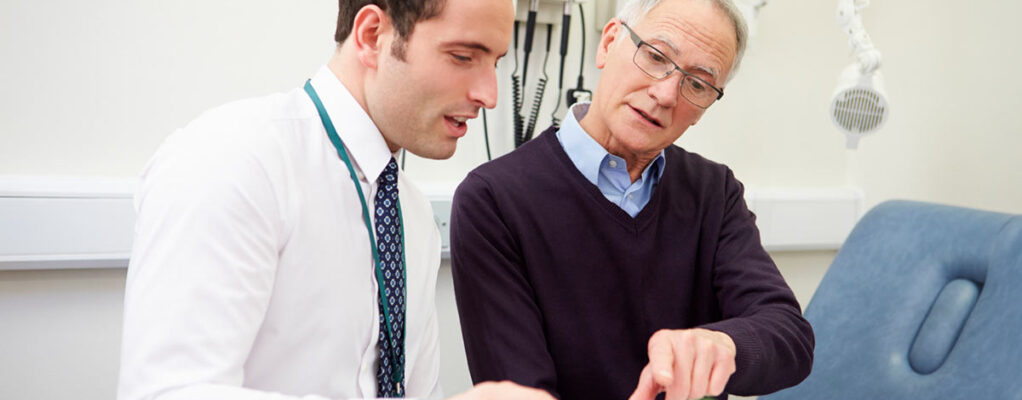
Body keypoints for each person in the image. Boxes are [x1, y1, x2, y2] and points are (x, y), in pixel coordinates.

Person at [117, 1, 554, 399]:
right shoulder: (234, 159)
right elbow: (166, 392)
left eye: (496, 63)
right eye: (463, 57)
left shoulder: (413, 215)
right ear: (372, 35)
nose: (489, 96)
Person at [449, 0, 814, 399]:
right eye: (656, 56)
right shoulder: (494, 201)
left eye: (697, 84)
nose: (666, 94)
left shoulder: (714, 191)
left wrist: (721, 345)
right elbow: (518, 391)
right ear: (608, 44)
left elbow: (789, 335)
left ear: (705, 108)